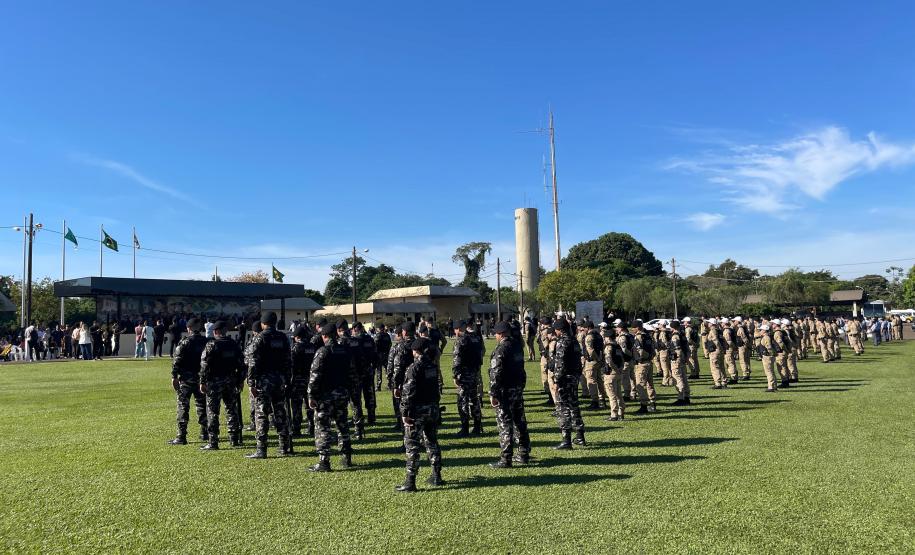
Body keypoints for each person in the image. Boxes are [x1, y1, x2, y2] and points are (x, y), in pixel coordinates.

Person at [396, 337, 444, 492]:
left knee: (412, 446)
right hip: (432, 409)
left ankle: (410, 481)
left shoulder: (414, 368)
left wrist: (404, 413)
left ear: (416, 351)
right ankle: (436, 475)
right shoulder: (433, 366)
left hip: (417, 411)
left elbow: (408, 393)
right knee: (432, 442)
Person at [244, 312, 293, 459]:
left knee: (261, 414)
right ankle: (284, 446)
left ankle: (261, 449)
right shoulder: (283, 338)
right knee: (280, 412)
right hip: (279, 380)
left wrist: (251, 382)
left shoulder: (259, 338)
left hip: (263, 381)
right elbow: (288, 361)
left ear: (263, 324)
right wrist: (286, 379)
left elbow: (253, 362)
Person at [308, 323, 353, 472]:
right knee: (342, 425)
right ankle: (347, 457)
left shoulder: (323, 351)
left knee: (323, 427)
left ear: (324, 336)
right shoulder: (345, 351)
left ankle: (324, 462)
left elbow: (315, 375)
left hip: (325, 395)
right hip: (342, 393)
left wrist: (311, 395)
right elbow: (352, 373)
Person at [488, 321, 531, 467]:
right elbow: (521, 368)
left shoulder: (501, 349)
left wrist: (493, 393)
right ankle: (524, 453)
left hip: (504, 391)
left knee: (505, 424)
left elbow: (496, 373)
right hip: (516, 388)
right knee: (520, 422)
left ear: (500, 334)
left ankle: (506, 458)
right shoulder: (517, 346)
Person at [199, 321, 246, 450]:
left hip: (214, 382)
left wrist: (202, 382)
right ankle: (233, 438)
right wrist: (240, 380)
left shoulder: (211, 345)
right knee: (231, 409)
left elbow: (204, 365)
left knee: (213, 411)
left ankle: (213, 441)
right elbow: (242, 365)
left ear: (215, 331)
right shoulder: (234, 344)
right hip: (231, 381)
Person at [167, 318, 209, 445]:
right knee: (202, 405)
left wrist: (174, 376)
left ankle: (181, 436)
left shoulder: (185, 342)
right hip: (201, 379)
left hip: (186, 379)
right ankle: (204, 432)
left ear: (188, 328)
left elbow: (177, 361)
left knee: (183, 406)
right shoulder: (207, 342)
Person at [452, 320, 483, 437]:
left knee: (462, 401)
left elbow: (457, 359)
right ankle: (477, 426)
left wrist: (455, 375)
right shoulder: (475, 338)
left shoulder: (461, 340)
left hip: (464, 374)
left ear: (457, 329)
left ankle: (464, 428)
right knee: (474, 400)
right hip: (474, 372)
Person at [288, 325, 318, 437]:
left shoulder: (295, 348)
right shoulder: (313, 347)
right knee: (310, 404)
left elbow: (291, 365)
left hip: (298, 380)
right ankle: (312, 427)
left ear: (297, 337)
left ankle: (296, 429)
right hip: (311, 379)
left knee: (296, 405)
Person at [632, 321, 658, 412]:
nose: (632, 329)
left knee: (640, 385)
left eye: (633, 327)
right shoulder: (648, 336)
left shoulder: (638, 337)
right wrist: (649, 357)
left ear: (637, 328)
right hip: (649, 362)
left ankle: (643, 405)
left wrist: (640, 358)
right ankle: (652, 403)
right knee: (650, 384)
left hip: (642, 363)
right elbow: (653, 351)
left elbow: (640, 351)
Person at [667, 320, 691, 405]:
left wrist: (677, 358)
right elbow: (687, 348)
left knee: (678, 377)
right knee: (684, 378)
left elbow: (677, 349)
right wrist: (686, 357)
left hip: (677, 359)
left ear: (672, 327)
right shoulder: (682, 334)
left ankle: (681, 398)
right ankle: (687, 397)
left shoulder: (675, 336)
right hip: (683, 358)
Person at [374, 322, 392, 391]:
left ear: (379, 328)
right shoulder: (387, 335)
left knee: (379, 371)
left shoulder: (378, 335)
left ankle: (378, 386)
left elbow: (375, 345)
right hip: (386, 354)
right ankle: (390, 384)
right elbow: (390, 344)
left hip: (379, 354)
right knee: (388, 370)